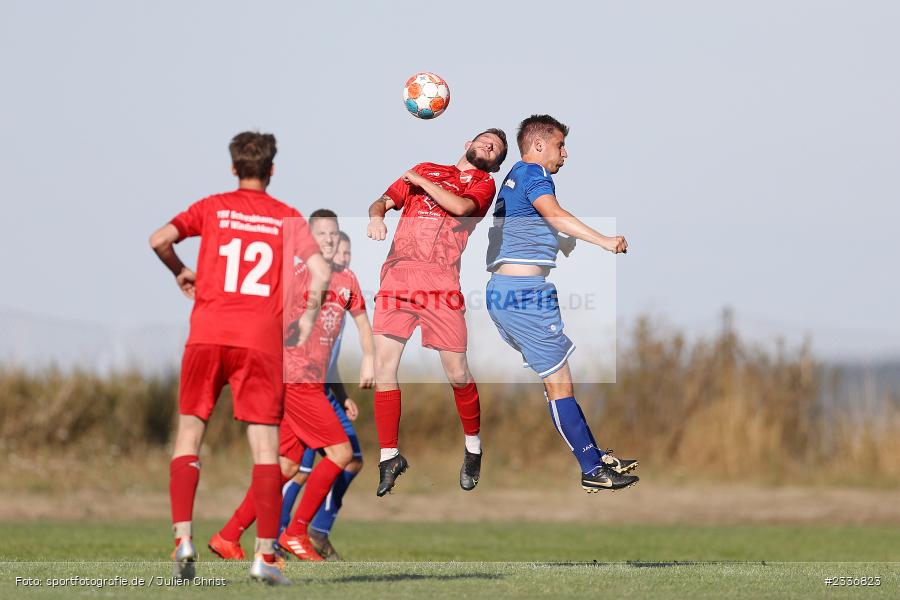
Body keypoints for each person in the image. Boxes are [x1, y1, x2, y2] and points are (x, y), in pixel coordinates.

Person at [149, 131, 329, 585]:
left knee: (190, 433)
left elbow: (159, 239)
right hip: (259, 342)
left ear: (233, 168)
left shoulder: (211, 206)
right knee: (265, 449)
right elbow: (321, 269)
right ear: (271, 170)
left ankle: (183, 539)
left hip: (207, 334)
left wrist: (180, 271)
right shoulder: (286, 216)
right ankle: (265, 557)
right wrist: (306, 318)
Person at [485, 115, 639, 492]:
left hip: (512, 292)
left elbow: (535, 225)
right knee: (559, 383)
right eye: (560, 145)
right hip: (522, 296)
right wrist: (603, 241)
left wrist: (559, 239)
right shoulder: (534, 174)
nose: (565, 154)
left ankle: (594, 456)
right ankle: (590, 465)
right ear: (538, 145)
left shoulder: (515, 180)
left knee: (558, 381)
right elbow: (553, 213)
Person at [209, 210, 373, 563]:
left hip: (309, 381)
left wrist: (370, 358)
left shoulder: (348, 279)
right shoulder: (300, 275)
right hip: (295, 379)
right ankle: (297, 531)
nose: (329, 239)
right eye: (322, 234)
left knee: (285, 466)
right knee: (342, 455)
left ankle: (228, 536)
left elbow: (362, 322)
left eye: (334, 233)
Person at [366, 128, 508, 496]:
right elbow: (382, 199)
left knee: (458, 373)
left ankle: (473, 447)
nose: (488, 146)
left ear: (495, 163)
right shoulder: (425, 168)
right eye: (484, 140)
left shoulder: (483, 186)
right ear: (468, 144)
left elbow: (460, 208)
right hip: (397, 275)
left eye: (495, 149)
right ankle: (388, 456)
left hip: (440, 281)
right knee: (384, 368)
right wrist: (377, 215)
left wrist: (417, 182)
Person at [279, 231, 369, 561]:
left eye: (347, 250)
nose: (343, 255)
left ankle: (313, 530)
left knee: (350, 459)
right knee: (296, 468)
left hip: (325, 390)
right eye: (337, 248)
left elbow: (327, 361)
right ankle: (284, 532)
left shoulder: (342, 296)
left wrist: (342, 394)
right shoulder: (310, 290)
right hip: (302, 387)